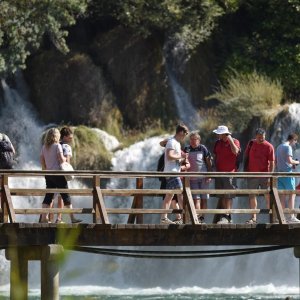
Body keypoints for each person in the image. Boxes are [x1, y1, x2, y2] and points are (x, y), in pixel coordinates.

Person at [40, 128, 78, 223]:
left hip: (48, 174)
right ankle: (73, 218)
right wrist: (65, 159)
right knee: (66, 196)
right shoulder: (57, 146)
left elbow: (42, 161)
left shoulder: (44, 147)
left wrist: (46, 170)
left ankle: (44, 218)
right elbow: (61, 160)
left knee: (48, 197)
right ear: (57, 136)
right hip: (58, 174)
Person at [50, 127, 81, 224]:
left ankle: (48, 218)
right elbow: (67, 161)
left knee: (51, 196)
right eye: (70, 138)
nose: (71, 140)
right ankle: (59, 218)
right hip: (62, 174)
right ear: (64, 137)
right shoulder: (66, 147)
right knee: (62, 197)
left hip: (52, 173)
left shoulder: (54, 145)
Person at [244, 128, 275, 224]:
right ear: (255, 136)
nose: (261, 139)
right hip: (252, 175)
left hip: (264, 175)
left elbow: (272, 162)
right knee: (252, 196)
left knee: (268, 196)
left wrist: (270, 176)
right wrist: (245, 171)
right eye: (259, 138)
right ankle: (253, 218)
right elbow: (246, 157)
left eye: (262, 137)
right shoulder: (251, 143)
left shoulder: (269, 146)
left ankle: (272, 217)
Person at [160, 124, 189, 224]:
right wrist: (180, 156)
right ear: (181, 132)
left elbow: (174, 159)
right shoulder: (172, 142)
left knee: (169, 196)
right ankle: (186, 217)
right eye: (185, 134)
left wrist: (182, 160)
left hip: (173, 171)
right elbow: (169, 156)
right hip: (172, 173)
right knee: (181, 194)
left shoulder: (176, 143)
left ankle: (164, 218)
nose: (185, 137)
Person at [213, 125, 240, 224]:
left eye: (219, 134)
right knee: (222, 195)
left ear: (224, 134)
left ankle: (227, 215)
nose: (217, 135)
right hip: (219, 172)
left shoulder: (235, 141)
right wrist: (213, 169)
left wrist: (230, 140)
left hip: (230, 172)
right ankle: (225, 215)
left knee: (228, 195)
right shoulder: (217, 143)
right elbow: (216, 156)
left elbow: (236, 151)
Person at [184, 131, 212, 224]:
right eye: (191, 140)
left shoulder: (203, 148)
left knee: (204, 199)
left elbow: (208, 162)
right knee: (196, 199)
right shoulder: (187, 149)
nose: (192, 141)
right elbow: (183, 162)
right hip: (192, 179)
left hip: (204, 178)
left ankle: (202, 218)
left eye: (194, 139)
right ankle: (198, 218)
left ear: (199, 140)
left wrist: (209, 175)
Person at [276, 133, 300, 223]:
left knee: (282, 196)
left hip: (280, 174)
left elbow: (277, 161)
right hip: (288, 174)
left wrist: (289, 164)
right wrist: (297, 163)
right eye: (295, 141)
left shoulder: (279, 147)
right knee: (292, 195)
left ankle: (281, 217)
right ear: (293, 139)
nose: (295, 143)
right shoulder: (288, 147)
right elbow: (289, 160)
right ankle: (291, 216)